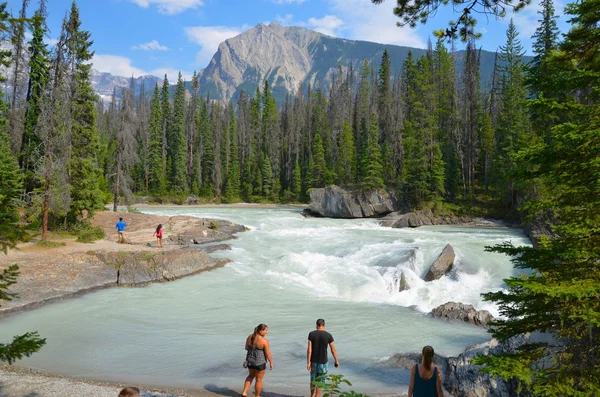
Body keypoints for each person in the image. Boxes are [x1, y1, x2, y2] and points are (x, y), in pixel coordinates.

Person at [307, 319, 339, 397]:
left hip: (313, 361)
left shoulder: (311, 334)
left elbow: (309, 350)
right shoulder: (328, 335)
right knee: (321, 381)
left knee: (313, 380)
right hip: (323, 362)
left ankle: (312, 395)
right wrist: (336, 361)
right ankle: (317, 396)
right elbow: (333, 350)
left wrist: (308, 362)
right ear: (324, 325)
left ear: (316, 325)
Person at [241, 324, 273, 397]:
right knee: (259, 380)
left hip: (250, 361)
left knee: (250, 376)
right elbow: (268, 354)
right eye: (266, 330)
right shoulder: (264, 341)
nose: (267, 332)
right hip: (260, 363)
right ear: (261, 331)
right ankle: (257, 396)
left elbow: (246, 348)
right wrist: (271, 363)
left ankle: (244, 392)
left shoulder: (250, 337)